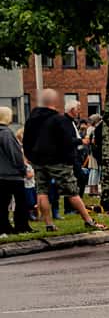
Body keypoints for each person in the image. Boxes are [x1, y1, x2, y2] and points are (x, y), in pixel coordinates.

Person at [22, 89, 101, 230]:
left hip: (38, 161)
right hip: (58, 161)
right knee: (72, 191)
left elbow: (26, 140)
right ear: (54, 101)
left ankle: (49, 224)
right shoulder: (59, 119)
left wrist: (31, 157)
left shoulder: (31, 119)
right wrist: (72, 154)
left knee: (42, 192)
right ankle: (88, 221)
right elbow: (66, 140)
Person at [0, 106, 32, 235]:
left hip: (1, 175)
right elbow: (15, 154)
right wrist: (23, 169)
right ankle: (22, 226)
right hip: (13, 175)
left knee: (2, 204)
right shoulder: (6, 133)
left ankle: (4, 227)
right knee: (21, 202)